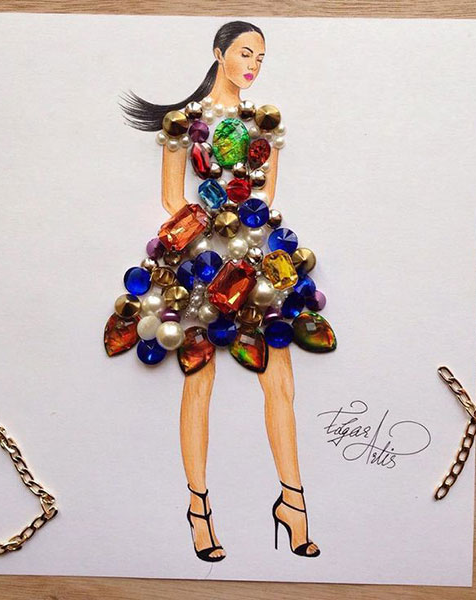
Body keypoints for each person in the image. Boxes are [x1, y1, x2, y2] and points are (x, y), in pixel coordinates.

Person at [118, 20, 325, 562]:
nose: (253, 65)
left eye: (260, 57)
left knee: (281, 381)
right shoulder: (184, 122)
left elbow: (266, 195)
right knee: (199, 383)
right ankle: (199, 512)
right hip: (201, 260)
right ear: (219, 53)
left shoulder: (264, 121)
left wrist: (243, 236)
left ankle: (293, 504)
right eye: (245, 53)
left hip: (255, 254)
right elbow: (172, 198)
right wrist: (209, 235)